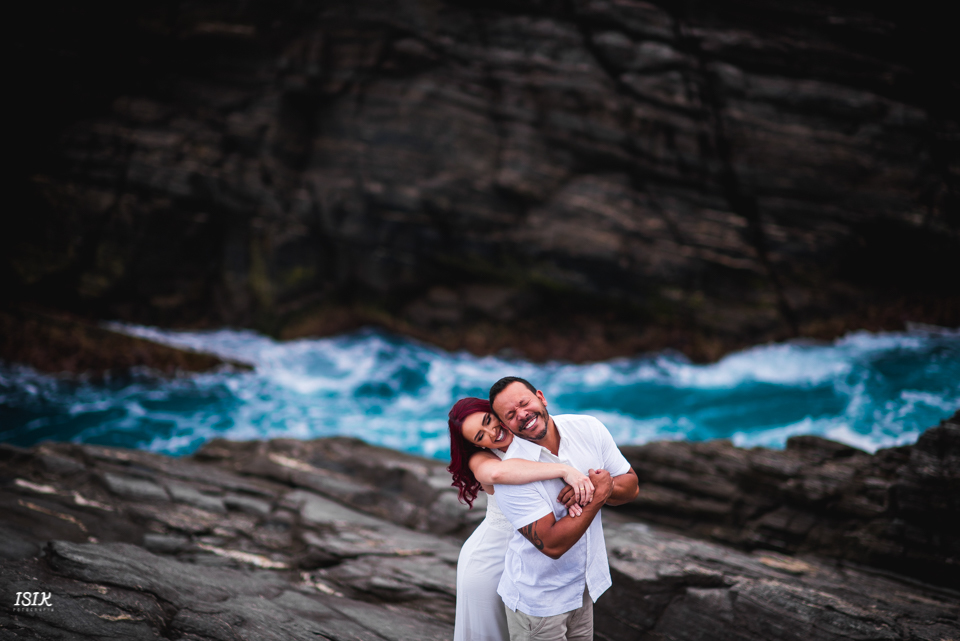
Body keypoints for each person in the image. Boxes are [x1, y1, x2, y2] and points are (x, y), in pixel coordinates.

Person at [489, 376, 640, 641]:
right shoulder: (512, 474)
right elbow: (552, 544)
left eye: (524, 403)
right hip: (538, 605)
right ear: (505, 426)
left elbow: (632, 486)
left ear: (541, 397)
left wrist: (602, 487)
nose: (522, 415)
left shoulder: (588, 428)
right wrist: (597, 494)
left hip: (583, 588)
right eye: (510, 415)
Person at [448, 397, 596, 641]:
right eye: (480, 436)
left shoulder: (532, 436)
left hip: (532, 562)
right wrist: (565, 470)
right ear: (475, 445)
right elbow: (497, 473)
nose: (492, 433)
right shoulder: (482, 459)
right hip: (491, 562)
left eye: (488, 420)